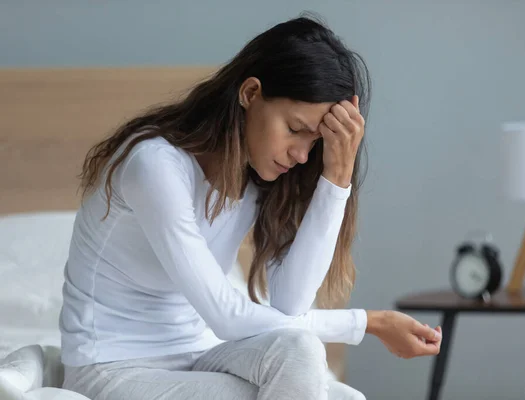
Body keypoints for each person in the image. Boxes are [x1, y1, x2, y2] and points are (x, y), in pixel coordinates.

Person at [59, 14, 442, 400]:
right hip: (112, 369)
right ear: (250, 93)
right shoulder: (155, 165)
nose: (300, 154)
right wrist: (369, 323)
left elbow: (290, 304)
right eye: (294, 129)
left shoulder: (259, 180)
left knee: (308, 358)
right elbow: (226, 316)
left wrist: (337, 175)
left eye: (314, 143)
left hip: (198, 357)